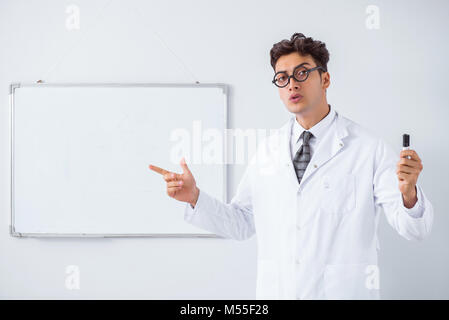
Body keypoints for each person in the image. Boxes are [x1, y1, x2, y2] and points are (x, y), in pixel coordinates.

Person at [149, 33, 434, 300]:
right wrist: (194, 197)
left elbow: (415, 230)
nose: (292, 84)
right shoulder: (267, 151)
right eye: (282, 78)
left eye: (302, 73)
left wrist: (409, 194)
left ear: (325, 79)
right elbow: (241, 222)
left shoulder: (367, 148)